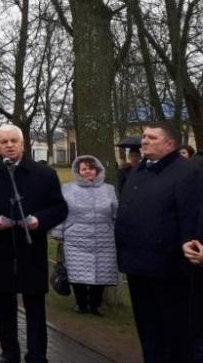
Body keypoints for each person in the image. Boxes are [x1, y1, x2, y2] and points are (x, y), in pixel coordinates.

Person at [0, 124, 68, 363]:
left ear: (23, 144)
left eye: (14, 141)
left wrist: (39, 220)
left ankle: (36, 355)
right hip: (0, 249)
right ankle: (9, 352)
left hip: (32, 249)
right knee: (3, 305)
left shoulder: (45, 174)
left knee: (34, 306)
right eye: (4, 142)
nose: (9, 146)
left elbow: (59, 207)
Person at [115, 122, 202, 363]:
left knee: (173, 334)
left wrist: (189, 245)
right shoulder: (140, 169)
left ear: (170, 144)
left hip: (168, 268)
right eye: (143, 136)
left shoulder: (186, 172)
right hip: (137, 265)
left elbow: (190, 214)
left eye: (152, 137)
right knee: (147, 329)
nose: (144, 141)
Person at [50, 155, 118, 315]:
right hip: (75, 236)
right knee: (77, 270)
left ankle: (95, 304)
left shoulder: (109, 189)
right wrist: (58, 231)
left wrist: (118, 231)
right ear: (78, 171)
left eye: (91, 168)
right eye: (84, 169)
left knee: (102, 270)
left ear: (97, 170)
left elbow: (116, 212)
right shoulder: (67, 188)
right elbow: (61, 212)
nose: (88, 171)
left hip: (104, 236)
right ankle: (80, 303)